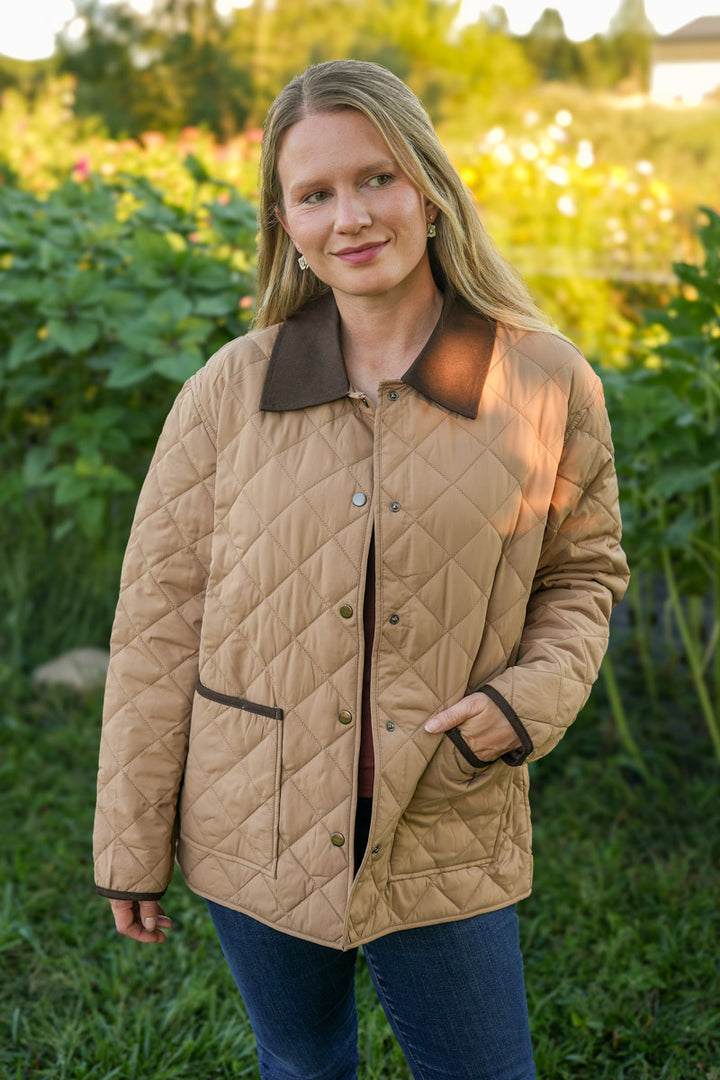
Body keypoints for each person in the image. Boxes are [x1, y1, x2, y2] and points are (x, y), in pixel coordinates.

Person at [94, 59, 629, 1080]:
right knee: (301, 1067)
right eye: (316, 193)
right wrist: (130, 837)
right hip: (257, 814)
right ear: (285, 221)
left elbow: (584, 574)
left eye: (377, 177)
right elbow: (158, 618)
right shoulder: (227, 392)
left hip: (445, 811)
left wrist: (525, 704)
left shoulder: (545, 379)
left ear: (429, 187)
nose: (353, 215)